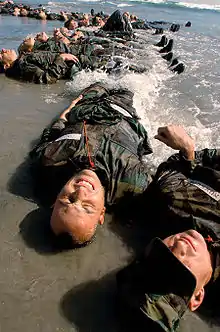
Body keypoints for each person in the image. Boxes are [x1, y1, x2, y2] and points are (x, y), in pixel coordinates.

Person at [116, 124, 220, 332]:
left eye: (162, 254)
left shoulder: (171, 202)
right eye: (182, 271)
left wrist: (187, 151)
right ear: (197, 296)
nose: (180, 248)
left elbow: (173, 171)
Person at [30, 82, 153, 245]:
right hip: (122, 108)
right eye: (87, 207)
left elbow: (49, 136)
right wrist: (187, 154)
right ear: (102, 213)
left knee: (101, 81)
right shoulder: (135, 183)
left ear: (55, 201)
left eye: (69, 199)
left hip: (86, 104)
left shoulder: (49, 160)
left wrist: (65, 114)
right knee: (127, 86)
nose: (81, 191)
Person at [0, 48, 81, 83]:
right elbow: (48, 79)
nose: (3, 50)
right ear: (6, 66)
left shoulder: (22, 58)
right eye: (1, 55)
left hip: (75, 60)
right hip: (76, 68)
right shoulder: (22, 67)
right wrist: (61, 58)